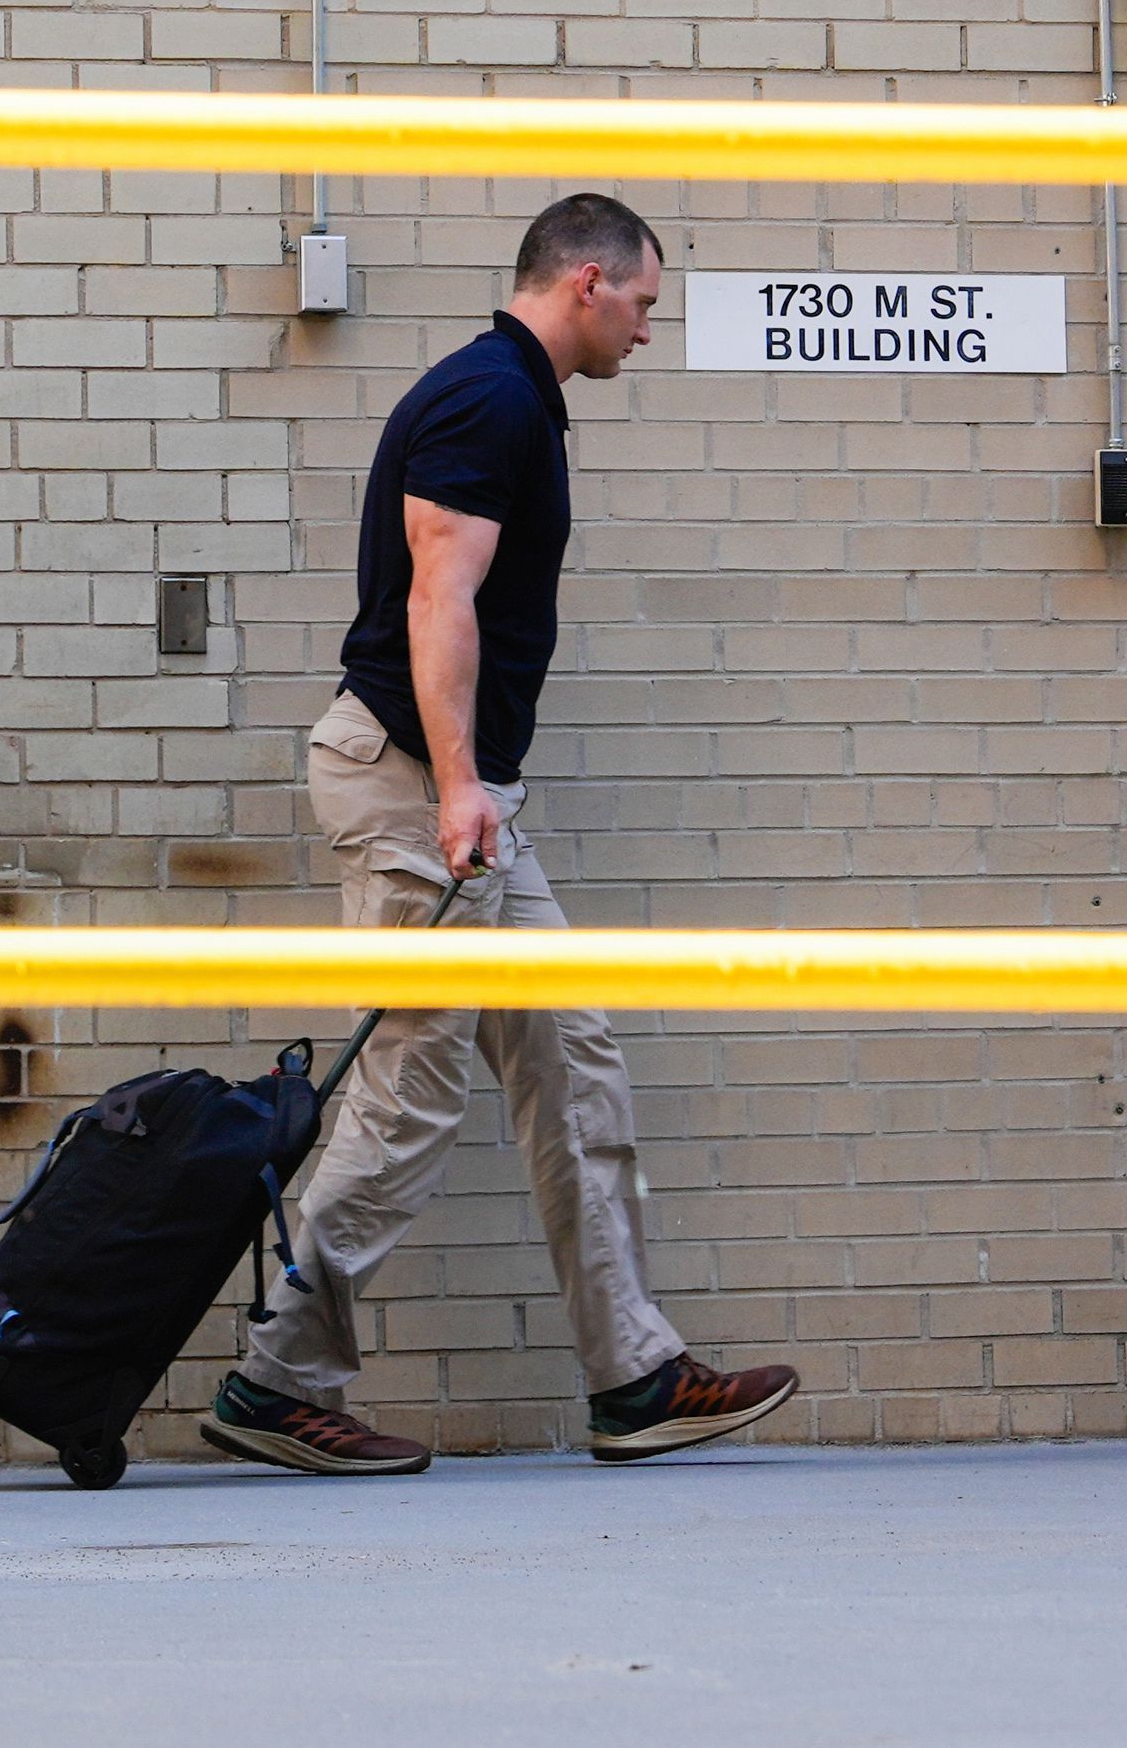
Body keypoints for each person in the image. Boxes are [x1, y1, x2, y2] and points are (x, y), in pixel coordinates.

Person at [200, 194, 796, 1477]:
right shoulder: (491, 400)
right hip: (423, 790)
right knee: (410, 1090)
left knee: (572, 1057)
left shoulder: (516, 396)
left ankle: (634, 1372)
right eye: (644, 301)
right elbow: (437, 595)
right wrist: (463, 784)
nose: (649, 326)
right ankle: (274, 1381)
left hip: (461, 796)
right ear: (588, 280)